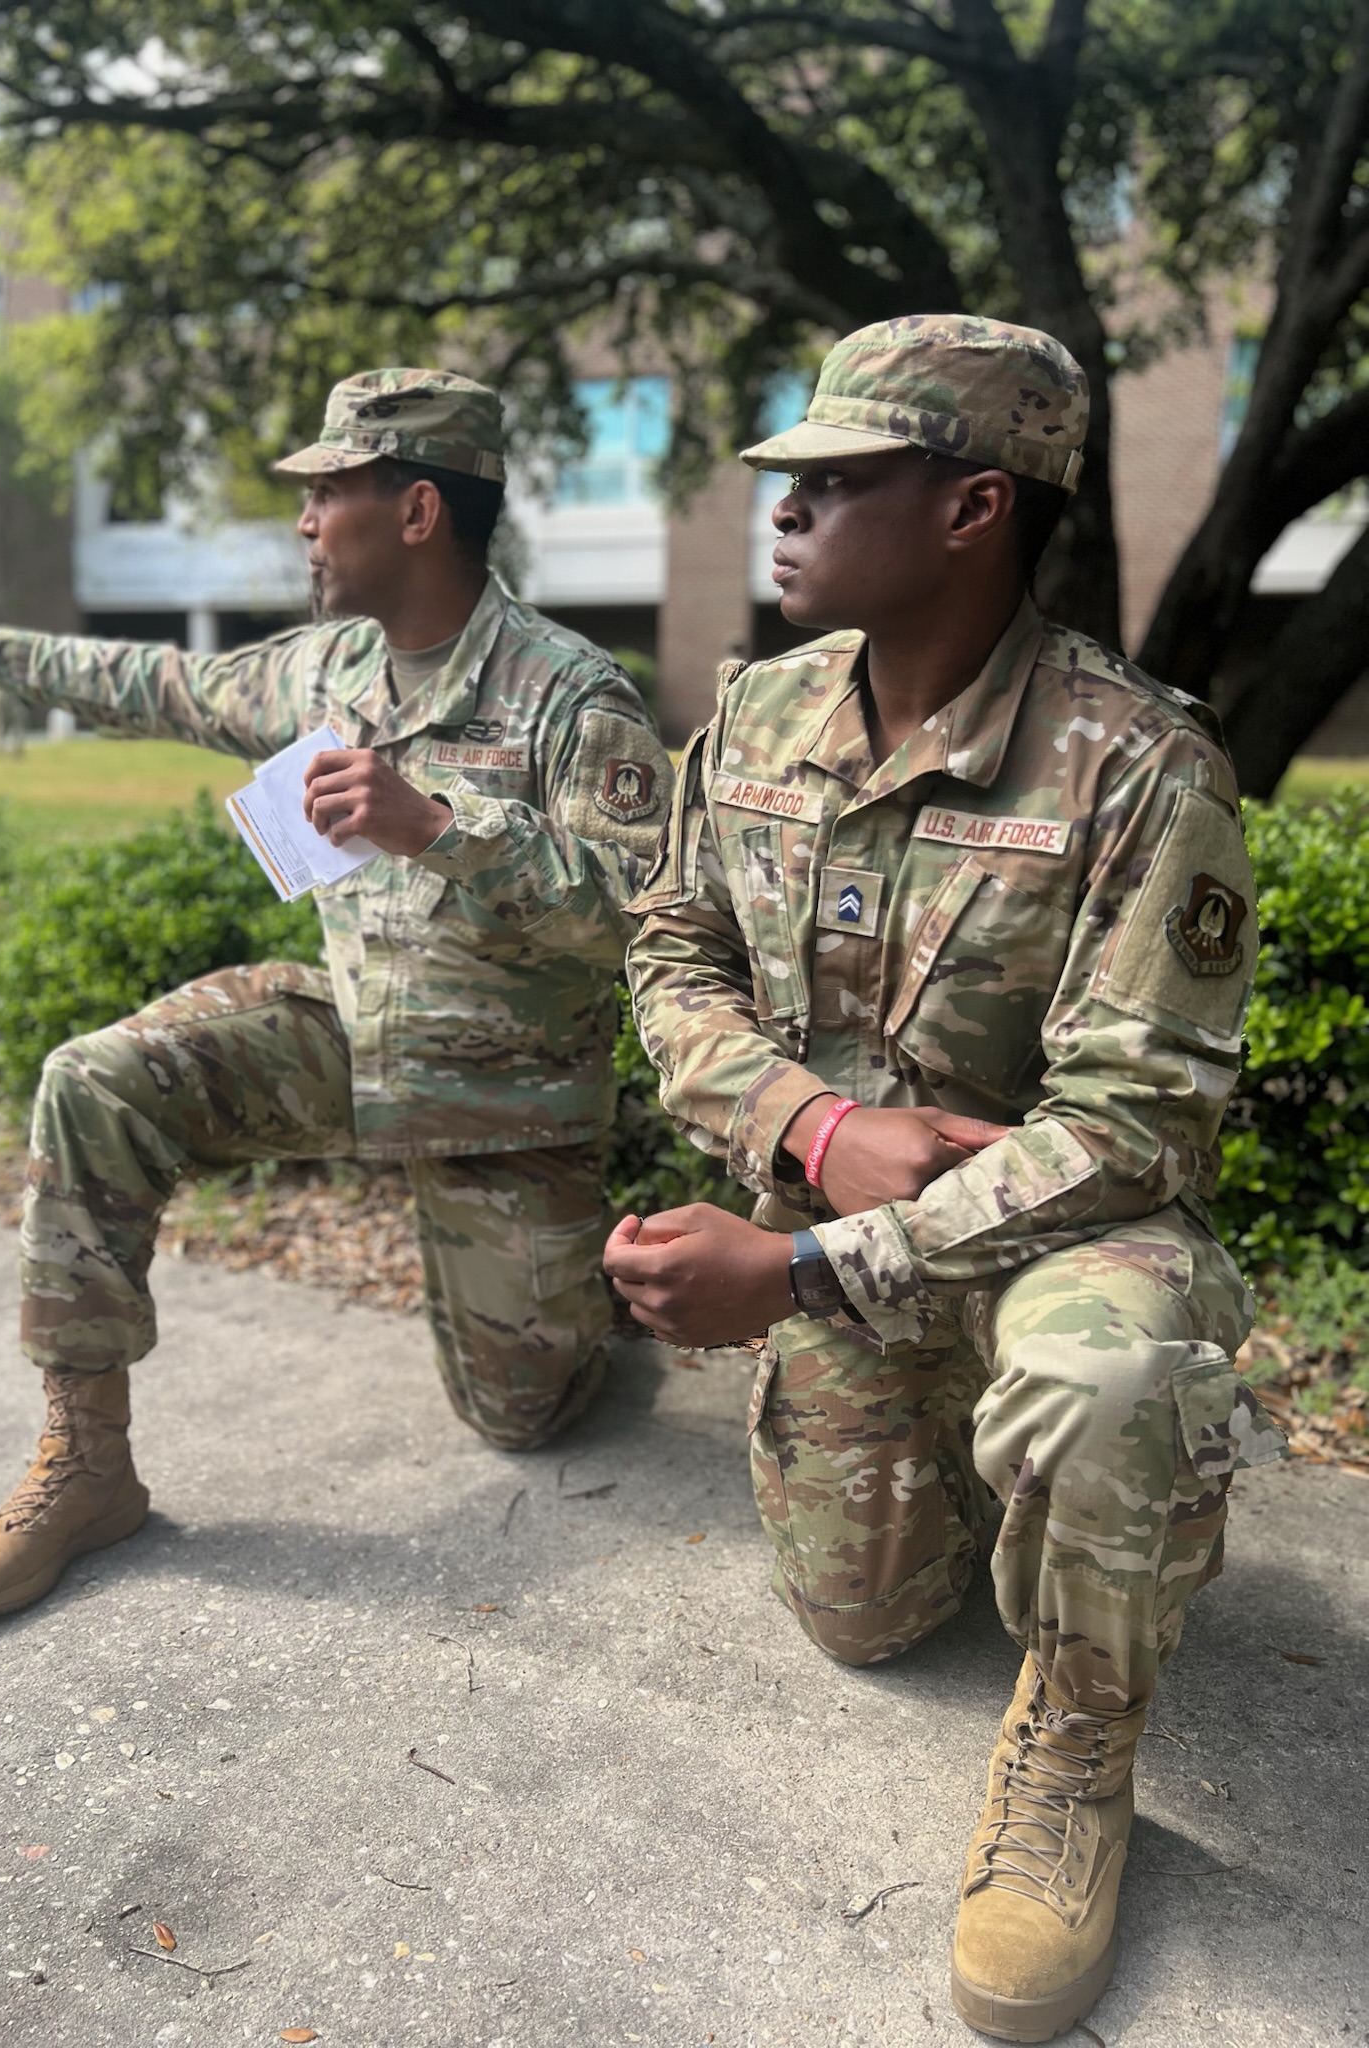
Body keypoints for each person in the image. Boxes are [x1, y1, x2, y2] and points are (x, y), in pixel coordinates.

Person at [603, 316, 1286, 2043]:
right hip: (856, 1223)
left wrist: (809, 1261)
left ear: (976, 505)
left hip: (1072, 1243)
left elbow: (1133, 1132)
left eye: (836, 481)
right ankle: (1024, 1486)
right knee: (870, 1617)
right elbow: (669, 945)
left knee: (1105, 1377)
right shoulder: (757, 714)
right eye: (789, 478)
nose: (785, 508)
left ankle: (1077, 1733)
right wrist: (806, 1130)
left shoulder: (1142, 766)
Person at [0, 367, 672, 1625]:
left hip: (503, 1091)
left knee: (526, 1417)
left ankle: (578, 1289)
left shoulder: (571, 691)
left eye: (327, 490)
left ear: (415, 511)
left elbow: (645, 917)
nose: (303, 519)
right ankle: (86, 1465)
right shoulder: (320, 670)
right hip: (345, 1032)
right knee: (95, 1077)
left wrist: (446, 828)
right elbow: (163, 687)